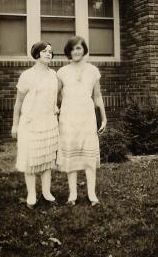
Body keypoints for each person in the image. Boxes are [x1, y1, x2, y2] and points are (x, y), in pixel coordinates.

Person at [57, 36, 107, 206]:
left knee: (89, 153)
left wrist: (104, 116)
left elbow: (98, 96)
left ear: (84, 50)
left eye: (79, 48)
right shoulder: (62, 72)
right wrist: (55, 108)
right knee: (71, 153)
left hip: (87, 115)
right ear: (68, 52)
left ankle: (92, 195)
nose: (76, 51)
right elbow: (55, 96)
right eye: (72, 48)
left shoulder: (93, 70)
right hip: (69, 116)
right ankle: (72, 195)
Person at [11, 41, 59, 209]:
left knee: (47, 159)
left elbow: (52, 98)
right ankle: (31, 195)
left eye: (50, 52)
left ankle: (46, 193)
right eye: (45, 51)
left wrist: (55, 109)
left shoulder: (53, 75)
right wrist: (15, 125)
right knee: (31, 160)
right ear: (37, 54)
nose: (48, 54)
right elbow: (18, 102)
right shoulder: (27, 75)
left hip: (49, 122)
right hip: (30, 123)